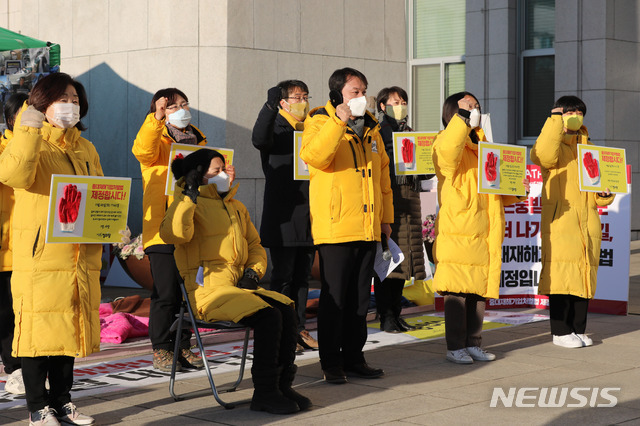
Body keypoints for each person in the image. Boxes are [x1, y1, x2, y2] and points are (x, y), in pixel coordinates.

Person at [160, 149, 311, 414]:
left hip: (237, 287)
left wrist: (253, 273)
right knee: (268, 317)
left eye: (225, 168)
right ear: (197, 174)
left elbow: (255, 246)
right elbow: (174, 234)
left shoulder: (235, 206)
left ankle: (281, 386)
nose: (224, 173)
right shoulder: (186, 203)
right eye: (216, 170)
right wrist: (189, 195)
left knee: (286, 309)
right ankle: (265, 392)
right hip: (207, 291)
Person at [0, 73, 102, 425]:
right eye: (62, 98)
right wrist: (28, 128)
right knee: (37, 334)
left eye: (75, 99)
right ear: (42, 102)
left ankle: (63, 402)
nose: (70, 105)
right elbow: (14, 175)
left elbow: (98, 192)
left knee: (68, 331)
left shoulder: (85, 147)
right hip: (41, 254)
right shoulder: (27, 140)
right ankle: (37, 409)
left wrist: (109, 221)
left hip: (77, 253)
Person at [300, 67, 393, 384]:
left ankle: (354, 357)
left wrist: (386, 220)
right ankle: (331, 362)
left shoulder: (372, 131)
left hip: (368, 228)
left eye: (364, 90)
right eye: (355, 91)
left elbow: (383, 182)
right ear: (338, 93)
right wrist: (339, 122)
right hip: (336, 229)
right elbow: (314, 156)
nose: (362, 97)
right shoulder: (318, 122)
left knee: (359, 301)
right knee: (335, 300)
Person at [432, 91, 529, 364]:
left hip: (485, 226)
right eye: (466, 107)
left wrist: (517, 191)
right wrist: (461, 121)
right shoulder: (445, 142)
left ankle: (473, 343)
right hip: (460, 227)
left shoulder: (486, 148)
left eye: (475, 107)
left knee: (478, 290)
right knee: (457, 292)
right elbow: (449, 153)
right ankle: (454, 346)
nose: (473, 111)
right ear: (452, 113)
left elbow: (495, 189)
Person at [530, 96, 614, 348]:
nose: (575, 115)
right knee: (561, 277)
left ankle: (578, 329)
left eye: (579, 112)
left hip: (587, 222)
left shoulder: (589, 149)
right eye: (570, 112)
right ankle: (560, 332)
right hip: (561, 221)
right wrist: (556, 118)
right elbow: (543, 154)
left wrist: (604, 194)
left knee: (583, 277)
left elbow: (598, 193)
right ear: (559, 114)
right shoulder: (552, 148)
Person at [132, 88, 206, 372]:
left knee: (187, 291)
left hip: (189, 227)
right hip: (162, 228)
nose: (181, 109)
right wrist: (156, 118)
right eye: (173, 105)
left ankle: (182, 345)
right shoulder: (156, 137)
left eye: (184, 103)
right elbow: (142, 150)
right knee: (165, 293)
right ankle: (162, 349)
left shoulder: (198, 141)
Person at [251, 80, 318, 352]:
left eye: (305, 96)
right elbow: (258, 138)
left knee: (303, 277)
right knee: (284, 276)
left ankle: (298, 327)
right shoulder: (276, 127)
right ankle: (280, 329)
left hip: (310, 213)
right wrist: (268, 108)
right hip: (284, 213)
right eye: (295, 97)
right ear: (283, 102)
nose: (301, 101)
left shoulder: (312, 127)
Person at [372, 86, 425, 333]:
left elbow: (423, 171)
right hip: (390, 202)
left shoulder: (411, 134)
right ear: (383, 106)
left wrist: (426, 161)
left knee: (405, 264)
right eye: (395, 101)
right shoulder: (378, 133)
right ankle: (386, 316)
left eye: (403, 100)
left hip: (409, 202)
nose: (401, 104)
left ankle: (396, 314)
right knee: (389, 264)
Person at [0, 92, 28, 396]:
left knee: (25, 312)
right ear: (11, 120)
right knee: (6, 314)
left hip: (31, 247)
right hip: (5, 249)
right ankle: (15, 368)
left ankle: (27, 368)